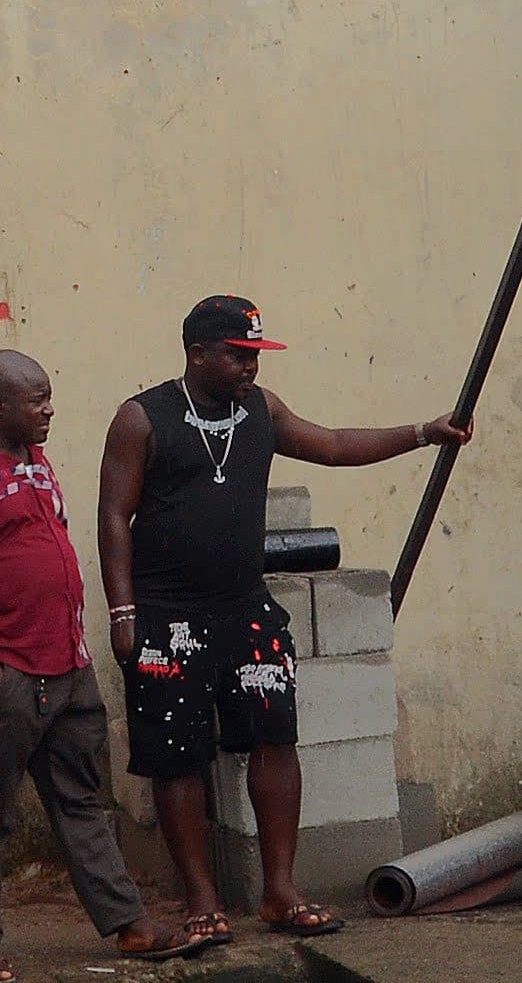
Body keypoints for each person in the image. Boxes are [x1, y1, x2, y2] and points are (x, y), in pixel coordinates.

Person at [97, 297, 471, 947]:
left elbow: (332, 445)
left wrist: (421, 433)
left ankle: (279, 890)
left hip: (247, 609)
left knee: (275, 738)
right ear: (197, 354)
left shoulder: (260, 409)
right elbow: (112, 515)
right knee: (177, 759)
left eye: (255, 357)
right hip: (168, 619)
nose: (249, 367)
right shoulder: (142, 418)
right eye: (239, 356)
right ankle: (203, 902)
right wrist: (124, 611)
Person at [0, 350, 188, 980]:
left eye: (49, 396)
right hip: (5, 681)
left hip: (68, 671)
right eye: (37, 399)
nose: (49, 409)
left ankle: (128, 926)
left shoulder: (35, 462)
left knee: (83, 806)